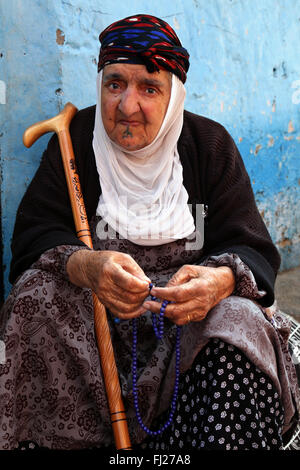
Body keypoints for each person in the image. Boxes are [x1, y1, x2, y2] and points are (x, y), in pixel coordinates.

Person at [0, 14, 299, 451]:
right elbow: (32, 238)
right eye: (115, 84)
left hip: (184, 329)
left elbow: (251, 246)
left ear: (174, 95)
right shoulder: (77, 140)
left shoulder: (207, 145)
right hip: (96, 329)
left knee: (240, 321)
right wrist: (86, 266)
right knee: (32, 299)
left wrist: (218, 281)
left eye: (149, 88)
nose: (126, 106)